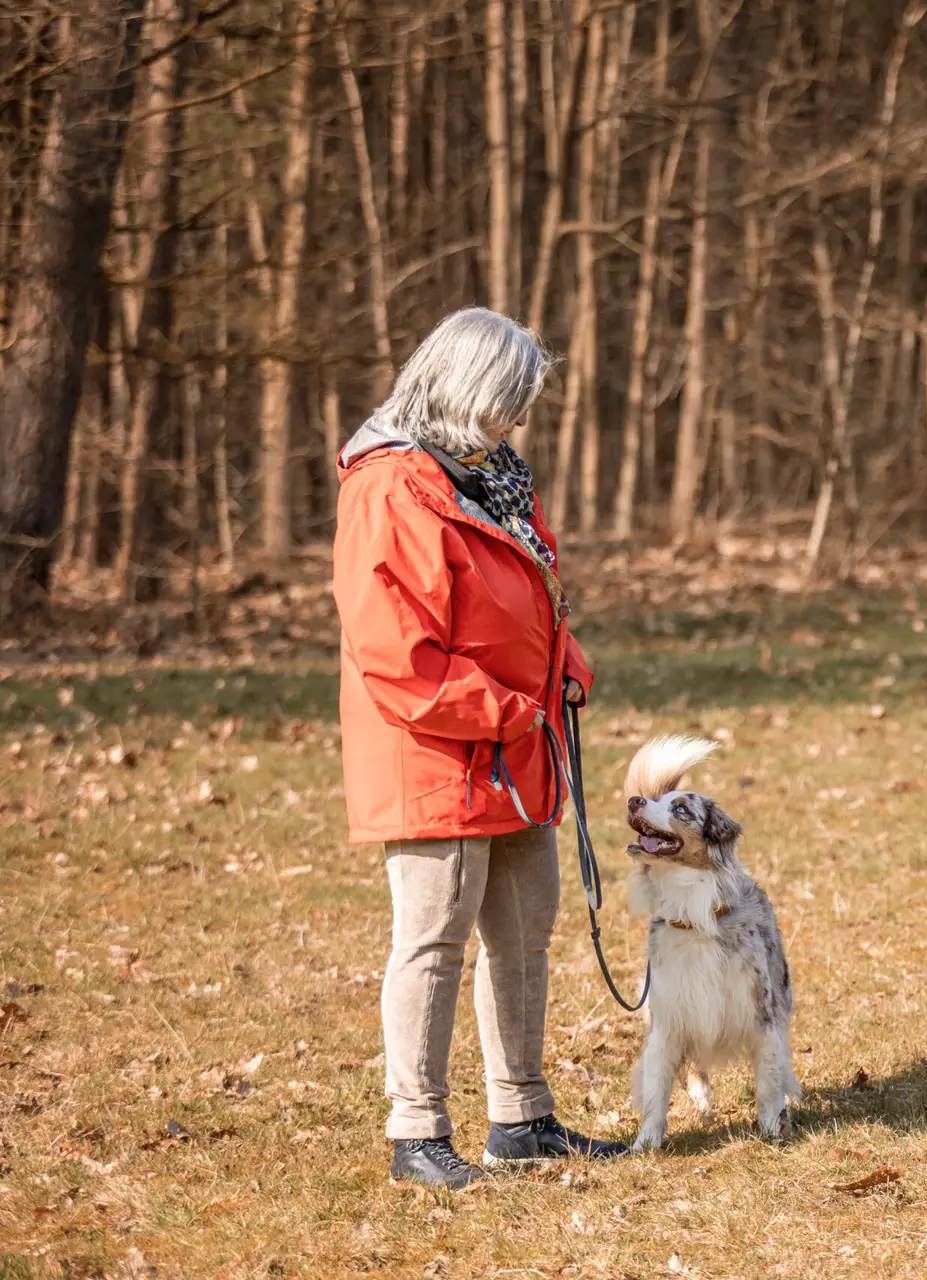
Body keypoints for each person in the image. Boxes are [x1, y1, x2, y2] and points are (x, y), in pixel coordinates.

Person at [333, 307, 628, 1189]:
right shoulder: (391, 489)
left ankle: (523, 1117)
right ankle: (416, 1132)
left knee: (525, 929)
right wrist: (503, 706)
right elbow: (396, 653)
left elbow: (533, 587)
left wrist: (560, 663)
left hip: (516, 746)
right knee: (433, 939)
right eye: (510, 401)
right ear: (467, 391)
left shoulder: (491, 475)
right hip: (438, 751)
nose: (519, 422)